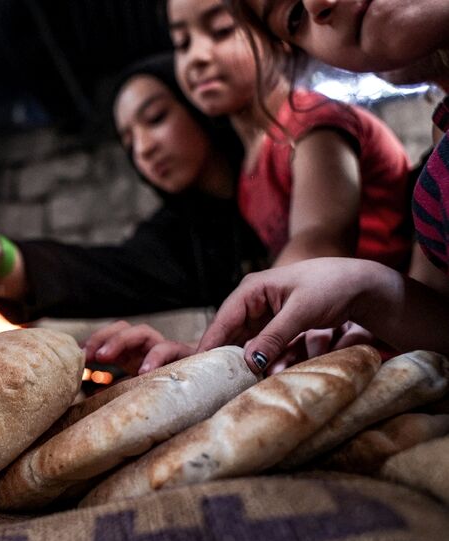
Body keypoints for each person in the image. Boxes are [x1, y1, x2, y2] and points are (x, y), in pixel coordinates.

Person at [0, 54, 265, 374]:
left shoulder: (288, 166)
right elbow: (93, 274)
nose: (143, 149)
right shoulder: (183, 237)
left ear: (201, 102)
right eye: (127, 140)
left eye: (155, 118)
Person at [84, 0, 425, 374]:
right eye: (182, 43)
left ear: (278, 36)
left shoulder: (314, 128)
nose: (197, 56)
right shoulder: (252, 164)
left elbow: (316, 245)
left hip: (394, 355)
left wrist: (209, 349)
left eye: (222, 31)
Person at [192, 0, 449, 373]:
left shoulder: (316, 126)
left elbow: (318, 235)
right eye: (295, 16)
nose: (316, 5)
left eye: (221, 30)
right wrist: (367, 290)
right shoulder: (440, 148)